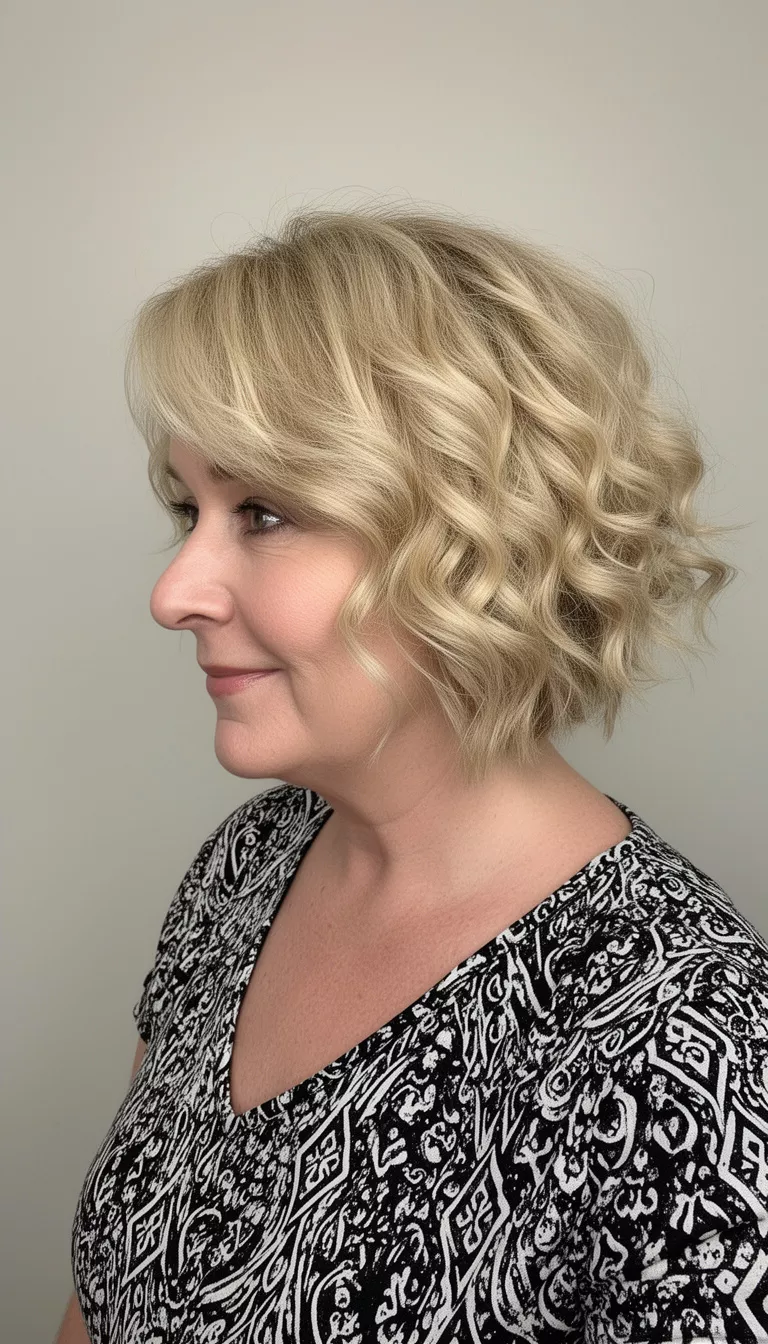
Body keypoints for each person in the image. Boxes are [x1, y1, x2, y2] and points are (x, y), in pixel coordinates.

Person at [56, 205, 766, 1344]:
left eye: (265, 512)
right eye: (191, 509)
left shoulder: (689, 1049)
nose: (174, 589)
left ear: (481, 539)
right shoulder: (251, 864)